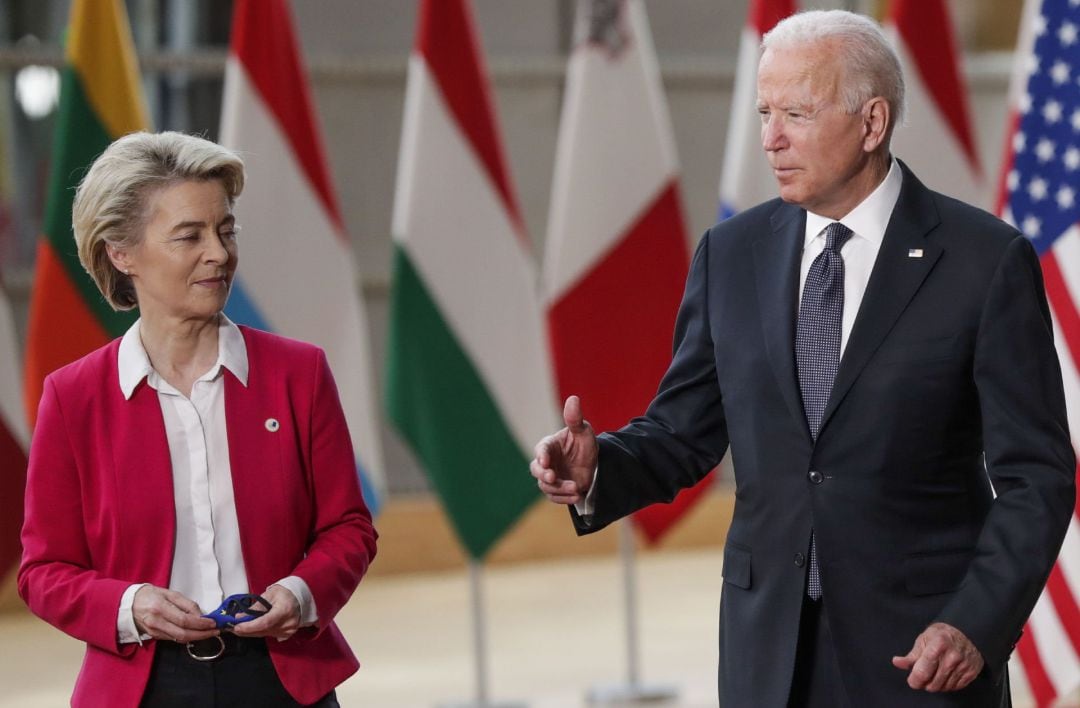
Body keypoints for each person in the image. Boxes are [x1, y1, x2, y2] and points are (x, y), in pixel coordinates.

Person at [530, 10, 1075, 707]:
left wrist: (976, 623)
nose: (770, 139)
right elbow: (682, 433)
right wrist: (600, 464)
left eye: (796, 112)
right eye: (763, 112)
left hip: (923, 655)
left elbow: (1037, 477)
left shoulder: (983, 262)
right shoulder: (731, 256)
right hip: (769, 654)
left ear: (872, 123)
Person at [18, 131, 377, 707]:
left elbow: (349, 529)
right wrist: (129, 605)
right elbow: (44, 571)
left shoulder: (299, 373)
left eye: (226, 230)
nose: (219, 252)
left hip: (284, 683)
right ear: (121, 253)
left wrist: (300, 593)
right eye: (190, 235)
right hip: (142, 689)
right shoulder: (73, 397)